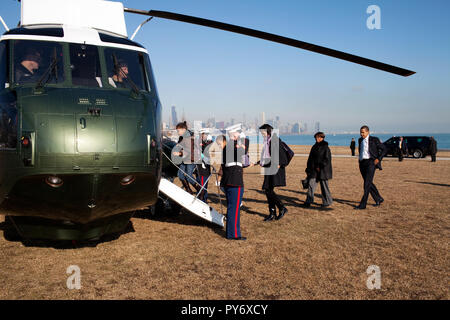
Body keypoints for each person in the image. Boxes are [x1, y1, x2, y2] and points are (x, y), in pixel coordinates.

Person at [216, 133, 246, 241]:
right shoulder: (230, 148)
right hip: (235, 183)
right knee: (234, 209)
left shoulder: (228, 149)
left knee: (232, 208)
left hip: (230, 182)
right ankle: (234, 234)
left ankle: (231, 233)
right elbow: (243, 152)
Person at [259, 124, 288, 221]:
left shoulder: (274, 140)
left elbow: (282, 154)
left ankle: (281, 208)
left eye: (262, 132)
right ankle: (273, 213)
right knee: (268, 190)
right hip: (269, 167)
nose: (261, 134)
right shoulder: (267, 141)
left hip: (274, 168)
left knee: (268, 189)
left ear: (267, 131)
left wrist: (279, 164)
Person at [355, 125, 387, 210]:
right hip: (362, 163)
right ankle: (379, 198)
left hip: (371, 163)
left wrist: (378, 159)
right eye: (360, 132)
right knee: (368, 183)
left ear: (368, 132)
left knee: (366, 185)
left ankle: (363, 205)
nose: (361, 134)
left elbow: (384, 149)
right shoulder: (360, 140)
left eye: (363, 132)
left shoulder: (374, 139)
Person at [304, 132, 333, 208]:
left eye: (318, 137)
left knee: (324, 187)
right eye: (316, 137)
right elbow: (310, 158)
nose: (317, 139)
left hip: (323, 171)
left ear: (322, 138)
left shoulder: (326, 147)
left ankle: (327, 202)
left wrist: (320, 166)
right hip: (314, 170)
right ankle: (308, 201)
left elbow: (327, 160)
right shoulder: (314, 147)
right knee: (311, 185)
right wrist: (308, 168)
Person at [172, 121, 199, 194]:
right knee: (180, 174)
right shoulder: (182, 137)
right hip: (184, 159)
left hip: (191, 159)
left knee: (188, 176)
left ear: (183, 130)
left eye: (178, 130)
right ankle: (188, 190)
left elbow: (189, 150)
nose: (177, 132)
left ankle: (200, 189)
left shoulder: (189, 137)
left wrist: (179, 153)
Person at [195, 129, 213, 202]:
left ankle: (203, 201)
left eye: (205, 134)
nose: (204, 136)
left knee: (203, 187)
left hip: (204, 170)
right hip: (198, 169)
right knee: (199, 186)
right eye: (203, 134)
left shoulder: (209, 144)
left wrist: (201, 155)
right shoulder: (198, 143)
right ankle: (199, 200)